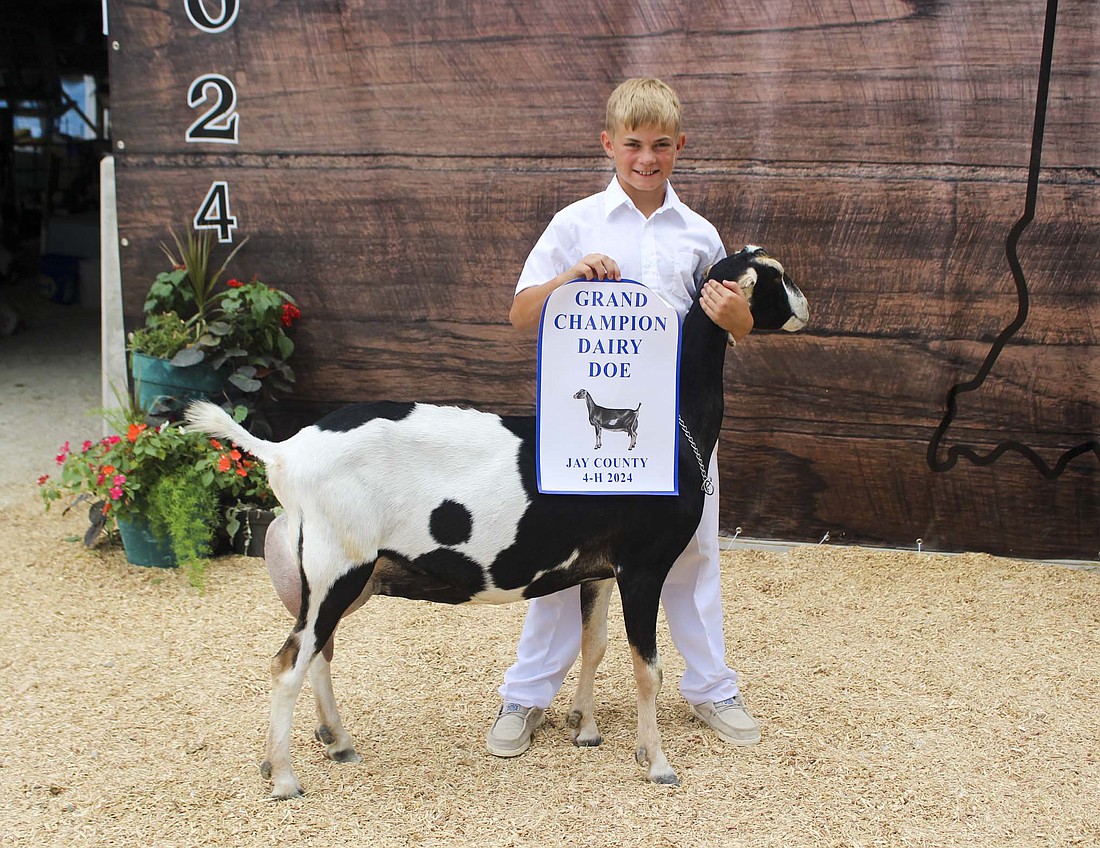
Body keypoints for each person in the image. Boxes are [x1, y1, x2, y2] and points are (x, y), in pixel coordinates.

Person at [488, 77, 760, 757]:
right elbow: (522, 311)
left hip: (679, 429)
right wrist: (568, 278)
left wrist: (740, 318)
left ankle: (711, 689)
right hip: (586, 431)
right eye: (633, 144)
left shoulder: (698, 235)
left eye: (661, 145)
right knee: (565, 553)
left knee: (693, 553)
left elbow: (733, 327)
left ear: (679, 147)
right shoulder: (576, 224)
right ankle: (526, 696)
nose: (647, 157)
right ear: (608, 143)